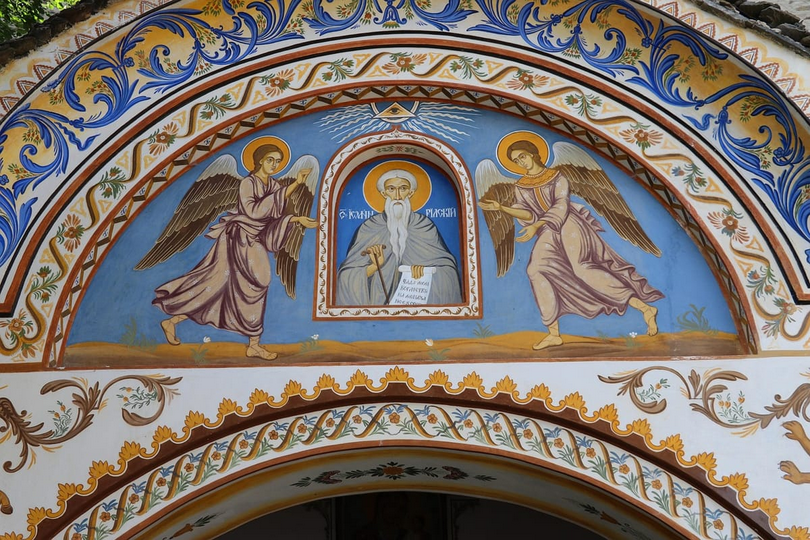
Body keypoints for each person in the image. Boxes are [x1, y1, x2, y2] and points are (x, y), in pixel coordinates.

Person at [478, 140, 663, 350]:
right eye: (516, 160)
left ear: (534, 154)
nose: (521, 162)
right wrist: (502, 207)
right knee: (535, 269)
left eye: (523, 156)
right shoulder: (520, 186)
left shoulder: (558, 177)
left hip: (569, 223)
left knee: (582, 268)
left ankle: (644, 308)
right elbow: (528, 213)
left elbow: (561, 204)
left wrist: (538, 224)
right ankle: (554, 333)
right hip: (547, 228)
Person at [154, 144, 317, 360]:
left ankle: (250, 343)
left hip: (255, 238)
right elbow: (254, 211)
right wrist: (296, 183)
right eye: (270, 160)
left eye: (277, 161)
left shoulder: (274, 184)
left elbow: (275, 217)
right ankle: (253, 343)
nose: (274, 165)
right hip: (238, 238)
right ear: (259, 160)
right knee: (249, 281)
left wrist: (296, 219)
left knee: (229, 285)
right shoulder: (248, 183)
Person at [336, 169, 462, 306]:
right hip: (378, 308)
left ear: (411, 192)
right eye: (391, 189)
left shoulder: (424, 225)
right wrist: (373, 266)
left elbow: (448, 270)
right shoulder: (369, 227)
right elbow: (346, 276)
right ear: (383, 193)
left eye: (403, 189)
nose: (397, 196)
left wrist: (425, 273)